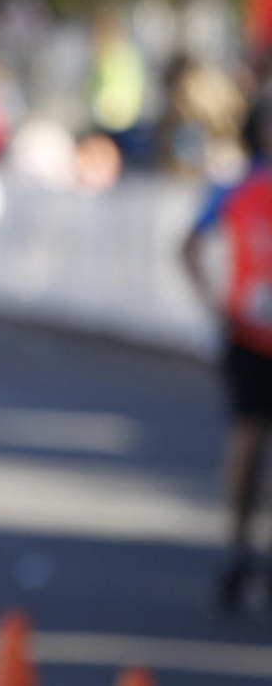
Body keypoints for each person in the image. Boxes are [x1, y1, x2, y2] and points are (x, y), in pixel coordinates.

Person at [181, 97, 272, 612]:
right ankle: (238, 545)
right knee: (248, 436)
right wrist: (214, 304)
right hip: (248, 334)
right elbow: (189, 246)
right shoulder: (238, 189)